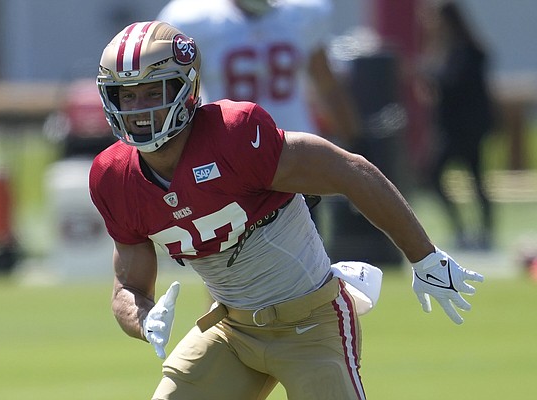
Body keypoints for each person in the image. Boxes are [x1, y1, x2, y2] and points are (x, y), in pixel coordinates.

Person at [89, 21, 484, 400]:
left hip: (311, 323)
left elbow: (351, 171)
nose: (137, 108)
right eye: (127, 95)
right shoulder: (113, 177)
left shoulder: (234, 136)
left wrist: (424, 256)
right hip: (230, 328)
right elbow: (129, 286)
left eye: (152, 91)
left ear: (185, 90)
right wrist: (142, 319)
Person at [156, 0, 359, 145]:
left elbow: (325, 81)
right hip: (228, 149)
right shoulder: (191, 18)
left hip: (295, 146)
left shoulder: (303, 12)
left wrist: (355, 141)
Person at [418, 0, 495, 250]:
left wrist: (431, 77)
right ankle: (463, 229)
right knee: (438, 177)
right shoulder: (445, 49)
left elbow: (454, 85)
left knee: (475, 179)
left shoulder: (467, 51)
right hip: (450, 127)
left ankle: (484, 233)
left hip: (466, 128)